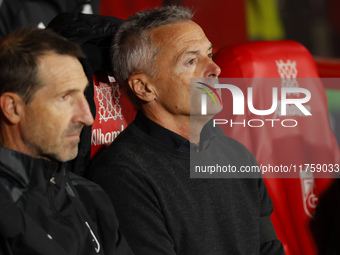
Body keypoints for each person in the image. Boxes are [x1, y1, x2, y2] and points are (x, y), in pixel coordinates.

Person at [87, 6, 285, 255]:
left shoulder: (237, 155)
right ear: (144, 87)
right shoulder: (122, 176)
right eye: (191, 61)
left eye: (209, 54)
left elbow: (269, 248)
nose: (215, 69)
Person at [0, 26, 133, 255]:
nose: (88, 117)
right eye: (65, 97)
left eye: (83, 94)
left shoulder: (91, 195)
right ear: (13, 108)